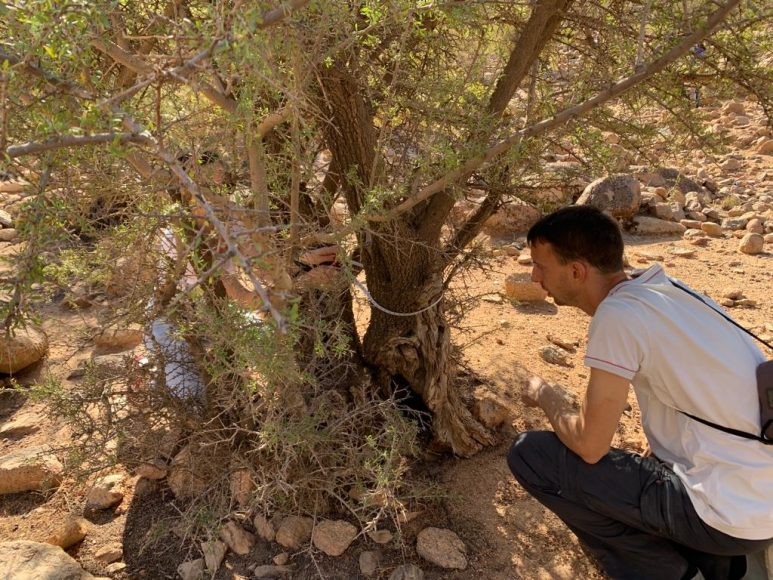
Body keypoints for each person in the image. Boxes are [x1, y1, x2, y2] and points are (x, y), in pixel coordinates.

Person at [506, 205, 773, 580]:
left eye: (540, 266)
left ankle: (670, 573)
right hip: (758, 506)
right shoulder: (665, 290)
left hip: (723, 516)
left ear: (577, 271)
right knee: (642, 466)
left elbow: (590, 444)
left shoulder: (617, 315)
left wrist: (544, 394)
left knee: (532, 455)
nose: (534, 277)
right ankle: (722, 565)